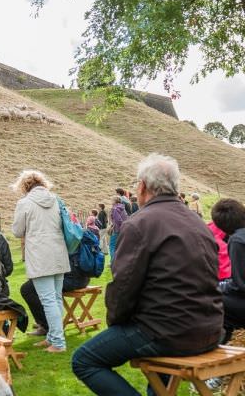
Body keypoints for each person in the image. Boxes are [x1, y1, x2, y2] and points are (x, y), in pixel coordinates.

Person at [72, 153, 223, 396]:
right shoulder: (197, 222)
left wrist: (117, 323)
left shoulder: (139, 223)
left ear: (142, 187)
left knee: (84, 360)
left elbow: (123, 286)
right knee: (159, 362)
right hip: (210, 328)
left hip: (166, 331)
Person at [12, 170, 70, 353]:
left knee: (48, 300)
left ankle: (58, 343)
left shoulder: (25, 203)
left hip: (39, 254)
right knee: (55, 297)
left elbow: (17, 231)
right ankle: (53, 336)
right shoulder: (56, 200)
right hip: (58, 251)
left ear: (24, 186)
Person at [21, 252, 90, 337]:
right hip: (78, 276)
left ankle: (49, 327)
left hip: (71, 278)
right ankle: (48, 324)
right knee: (30, 288)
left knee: (28, 289)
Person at [211, 198, 245, 342]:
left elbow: (241, 285)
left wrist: (217, 286)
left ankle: (215, 350)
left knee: (212, 300)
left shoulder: (238, 240)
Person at [109, 196, 128, 262]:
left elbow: (118, 220)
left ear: (114, 201)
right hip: (123, 228)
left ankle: (113, 262)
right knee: (121, 245)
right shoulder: (122, 207)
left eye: (112, 200)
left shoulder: (114, 208)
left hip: (117, 229)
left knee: (112, 245)